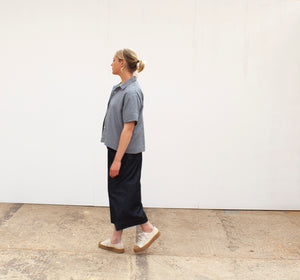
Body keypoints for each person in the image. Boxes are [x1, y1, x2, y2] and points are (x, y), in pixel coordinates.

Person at [98, 48, 160, 253]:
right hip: (117, 149)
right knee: (118, 193)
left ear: (123, 63)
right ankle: (116, 239)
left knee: (127, 194)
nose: (111, 63)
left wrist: (117, 160)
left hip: (126, 153)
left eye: (114, 60)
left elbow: (129, 127)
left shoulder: (132, 92)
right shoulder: (121, 88)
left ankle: (148, 228)